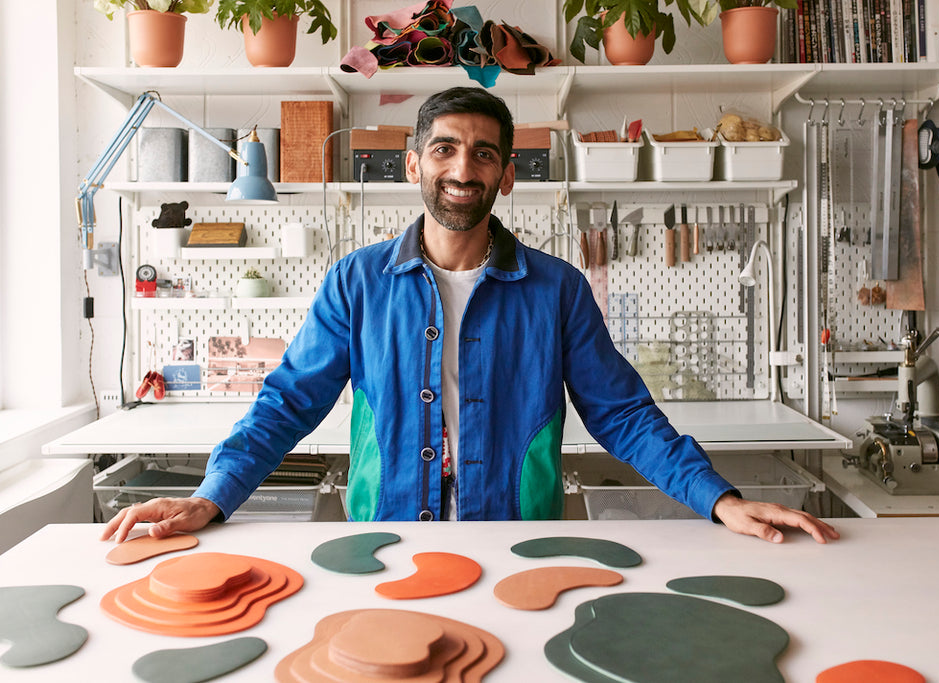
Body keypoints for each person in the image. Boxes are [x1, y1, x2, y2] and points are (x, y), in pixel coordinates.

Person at [102, 87, 838, 546]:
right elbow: (286, 404)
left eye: (484, 154)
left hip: (519, 543)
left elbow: (626, 415)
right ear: (415, 164)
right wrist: (211, 496)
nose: (463, 168)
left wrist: (720, 501)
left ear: (507, 174)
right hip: (384, 542)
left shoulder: (557, 289)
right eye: (445, 149)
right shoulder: (356, 283)